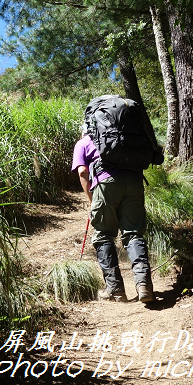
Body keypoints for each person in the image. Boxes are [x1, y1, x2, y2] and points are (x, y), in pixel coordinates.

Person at [72, 123, 155, 303]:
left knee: (103, 235)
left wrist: (91, 199)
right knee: (133, 233)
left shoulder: (83, 142)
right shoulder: (124, 137)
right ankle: (144, 285)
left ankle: (115, 289)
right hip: (134, 181)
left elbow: (82, 171)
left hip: (106, 183)